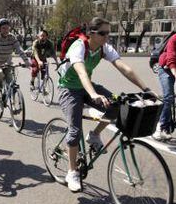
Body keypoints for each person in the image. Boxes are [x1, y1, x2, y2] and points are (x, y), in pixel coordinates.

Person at [57, 17, 153, 192]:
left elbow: (124, 68)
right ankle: (72, 172)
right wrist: (93, 94)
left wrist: (146, 89)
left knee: (118, 107)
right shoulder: (78, 47)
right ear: (91, 33)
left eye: (109, 32)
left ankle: (94, 135)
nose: (107, 36)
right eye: (103, 33)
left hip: (87, 87)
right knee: (75, 129)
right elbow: (81, 72)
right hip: (69, 89)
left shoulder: (103, 48)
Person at [0, 18, 29, 100]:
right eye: (3, 28)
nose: (6, 30)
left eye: (7, 28)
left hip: (7, 63)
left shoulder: (12, 37)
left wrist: (26, 61)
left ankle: (13, 102)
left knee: (11, 82)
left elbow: (19, 49)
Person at [152, 32, 176, 141]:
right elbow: (171, 58)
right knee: (168, 97)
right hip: (166, 68)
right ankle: (161, 127)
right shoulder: (175, 38)